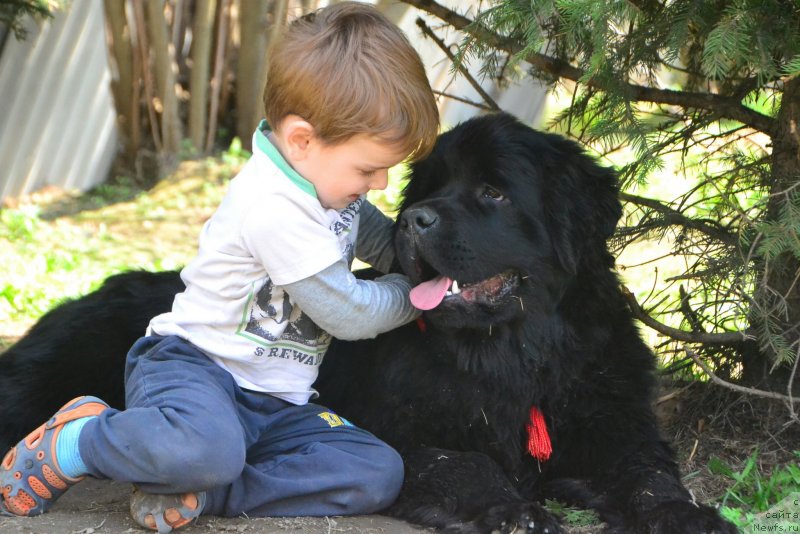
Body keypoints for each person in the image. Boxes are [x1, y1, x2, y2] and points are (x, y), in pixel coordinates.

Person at [0, 2, 439, 531]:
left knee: (375, 471)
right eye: (369, 168)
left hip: (273, 403)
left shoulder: (326, 189)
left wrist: (422, 261)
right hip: (194, 374)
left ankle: (200, 493)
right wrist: (417, 293)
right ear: (302, 139)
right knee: (204, 446)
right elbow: (350, 313)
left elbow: (373, 235)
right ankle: (81, 440)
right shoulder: (272, 206)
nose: (380, 185)